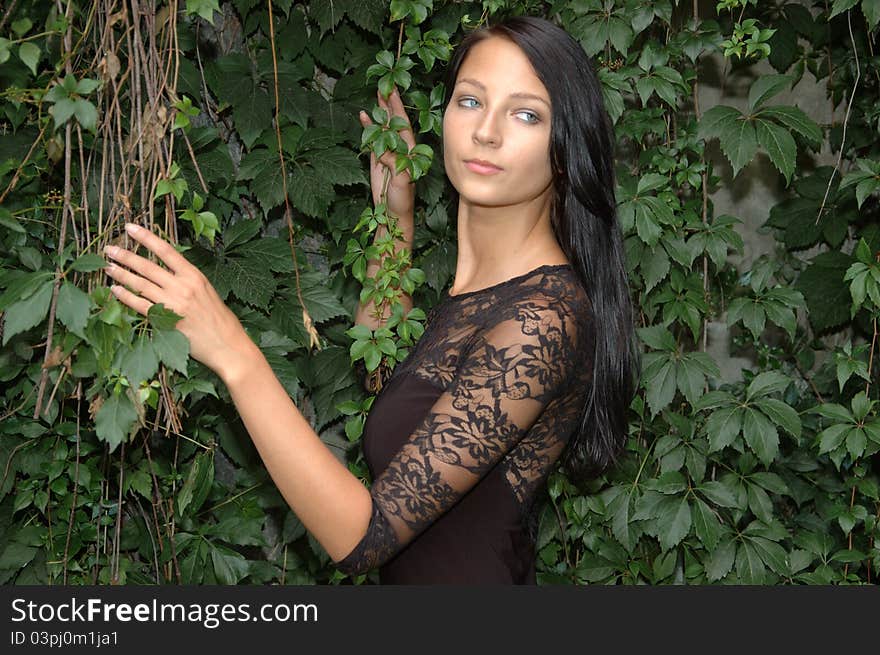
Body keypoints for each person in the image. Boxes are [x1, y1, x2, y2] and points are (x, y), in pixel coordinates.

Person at [102, 15, 638, 584]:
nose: (487, 131)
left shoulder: (542, 319)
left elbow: (363, 537)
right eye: (470, 101)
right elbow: (387, 380)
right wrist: (393, 218)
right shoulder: (481, 290)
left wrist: (233, 351)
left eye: (526, 114)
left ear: (564, 147)